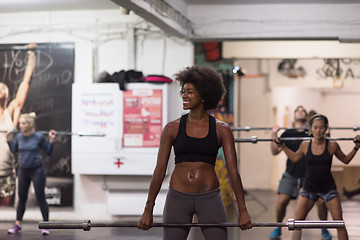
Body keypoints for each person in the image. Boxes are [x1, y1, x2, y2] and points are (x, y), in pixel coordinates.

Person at [137, 65, 252, 240]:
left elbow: (233, 171)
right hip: (178, 198)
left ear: (205, 95)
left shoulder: (222, 130)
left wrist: (243, 210)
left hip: (209, 198)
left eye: (190, 92)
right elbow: (159, 170)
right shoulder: (171, 128)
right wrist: (148, 209)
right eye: (183, 91)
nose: (184, 95)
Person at [275, 114, 360, 240]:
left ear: (326, 128)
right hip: (309, 189)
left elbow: (346, 160)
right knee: (297, 223)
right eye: (315, 128)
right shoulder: (305, 145)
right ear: (310, 129)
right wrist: (282, 146)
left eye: (321, 128)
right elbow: (294, 157)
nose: (318, 131)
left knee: (339, 223)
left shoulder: (332, 145)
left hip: (328, 189)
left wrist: (356, 147)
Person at [269, 106, 332, 240]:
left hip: (309, 176)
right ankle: (278, 227)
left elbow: (326, 145)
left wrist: (327, 133)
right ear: (294, 116)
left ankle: (324, 228)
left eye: (302, 110)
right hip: (291, 174)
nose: (300, 111)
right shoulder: (287, 133)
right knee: (281, 201)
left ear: (306, 117)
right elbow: (274, 151)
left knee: (321, 202)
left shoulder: (312, 132)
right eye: (297, 110)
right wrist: (273, 134)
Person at [6, 112, 56, 235]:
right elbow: (14, 150)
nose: (20, 125)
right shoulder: (19, 137)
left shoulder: (38, 137)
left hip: (37, 170)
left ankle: (46, 225)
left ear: (30, 124)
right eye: (20, 123)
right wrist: (8, 139)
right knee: (21, 199)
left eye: (23, 123)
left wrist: (51, 139)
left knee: (40, 198)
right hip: (23, 170)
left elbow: (48, 152)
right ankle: (17, 225)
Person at [0, 44, 36, 206]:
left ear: (7, 94)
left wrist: (31, 54)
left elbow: (25, 82)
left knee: (6, 213)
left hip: (7, 173)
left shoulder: (12, 112)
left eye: (3, 87)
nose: (1, 88)